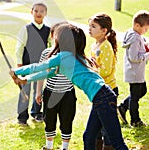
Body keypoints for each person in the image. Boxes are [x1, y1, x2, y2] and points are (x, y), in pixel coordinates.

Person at [10, 23, 128, 150]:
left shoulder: (63, 57)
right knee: (88, 136)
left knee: (117, 143)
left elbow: (38, 67)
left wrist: (17, 71)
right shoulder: (72, 57)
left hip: (102, 97)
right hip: (102, 96)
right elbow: (48, 73)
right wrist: (26, 79)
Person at [36, 21, 76, 150]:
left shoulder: (72, 54)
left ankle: (65, 147)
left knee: (67, 121)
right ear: (52, 36)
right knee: (49, 120)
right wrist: (38, 92)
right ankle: (49, 146)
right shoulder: (46, 53)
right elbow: (41, 74)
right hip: (50, 93)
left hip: (67, 94)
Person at [15, 2, 50, 125]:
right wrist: (20, 66)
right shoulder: (26, 29)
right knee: (25, 90)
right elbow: (19, 48)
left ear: (45, 13)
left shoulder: (48, 30)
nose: (38, 13)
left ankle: (36, 112)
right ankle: (22, 116)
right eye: (36, 11)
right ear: (32, 12)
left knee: (38, 90)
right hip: (26, 65)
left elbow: (50, 47)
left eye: (41, 11)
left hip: (41, 66)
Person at [89, 13, 118, 150]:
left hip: (108, 90)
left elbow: (105, 71)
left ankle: (109, 147)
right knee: (96, 127)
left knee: (107, 127)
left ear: (104, 30)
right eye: (89, 25)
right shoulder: (94, 46)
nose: (90, 28)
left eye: (93, 26)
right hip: (98, 91)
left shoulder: (106, 46)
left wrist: (91, 71)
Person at [117, 10, 149, 127]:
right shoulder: (134, 38)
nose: (146, 31)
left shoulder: (136, 35)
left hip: (138, 72)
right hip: (134, 72)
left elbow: (141, 48)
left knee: (142, 91)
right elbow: (134, 57)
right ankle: (135, 120)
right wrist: (147, 55)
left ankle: (122, 106)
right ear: (137, 26)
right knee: (135, 97)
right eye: (145, 29)